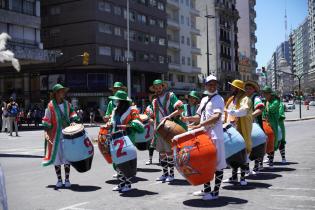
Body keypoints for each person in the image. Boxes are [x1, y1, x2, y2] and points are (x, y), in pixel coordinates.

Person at [182, 75, 226, 200]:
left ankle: (215, 192)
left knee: (217, 165)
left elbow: (216, 116)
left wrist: (200, 125)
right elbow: (198, 116)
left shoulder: (219, 99)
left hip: (216, 136)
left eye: (214, 84)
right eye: (209, 84)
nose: (212, 86)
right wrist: (188, 119)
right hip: (205, 136)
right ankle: (207, 190)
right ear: (205, 85)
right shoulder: (204, 99)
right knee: (205, 164)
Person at [105, 90, 144, 192]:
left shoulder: (132, 111)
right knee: (118, 163)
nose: (117, 102)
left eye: (118, 101)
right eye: (116, 100)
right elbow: (112, 122)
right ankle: (122, 183)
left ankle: (128, 184)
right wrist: (109, 124)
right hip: (115, 138)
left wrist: (126, 126)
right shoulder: (115, 111)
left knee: (125, 162)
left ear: (123, 101)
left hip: (127, 138)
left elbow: (139, 124)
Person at [42, 84, 80, 188]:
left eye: (64, 91)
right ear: (56, 93)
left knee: (67, 158)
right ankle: (59, 180)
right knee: (57, 159)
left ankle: (67, 179)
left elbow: (73, 113)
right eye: (61, 91)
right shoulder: (50, 106)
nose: (63, 93)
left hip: (68, 135)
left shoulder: (67, 104)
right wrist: (46, 132)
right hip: (55, 135)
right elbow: (46, 120)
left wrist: (73, 121)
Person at [150, 79, 187, 183]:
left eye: (159, 87)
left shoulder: (170, 96)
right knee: (161, 153)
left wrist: (169, 116)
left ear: (163, 87)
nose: (158, 89)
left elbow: (181, 108)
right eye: (156, 88)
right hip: (159, 129)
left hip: (169, 128)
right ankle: (164, 173)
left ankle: (171, 174)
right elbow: (154, 115)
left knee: (169, 152)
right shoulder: (154, 101)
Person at [224, 79, 253, 186]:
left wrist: (230, 112)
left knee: (242, 153)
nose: (231, 88)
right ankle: (234, 176)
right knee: (233, 154)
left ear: (237, 89)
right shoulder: (231, 99)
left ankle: (243, 178)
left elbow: (243, 111)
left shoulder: (245, 99)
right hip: (231, 131)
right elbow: (225, 113)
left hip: (241, 130)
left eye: (233, 87)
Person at [245, 80, 265, 174]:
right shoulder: (244, 98)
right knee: (247, 147)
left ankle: (257, 165)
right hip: (246, 126)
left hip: (254, 126)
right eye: (246, 88)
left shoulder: (256, 98)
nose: (248, 90)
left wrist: (250, 117)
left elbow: (260, 109)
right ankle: (247, 167)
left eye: (250, 88)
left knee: (256, 146)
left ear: (254, 90)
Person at [262, 86, 280, 167]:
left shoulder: (275, 101)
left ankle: (271, 161)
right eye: (264, 93)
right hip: (265, 123)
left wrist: (264, 105)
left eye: (266, 94)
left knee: (272, 141)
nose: (264, 95)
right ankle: (267, 158)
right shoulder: (266, 101)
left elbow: (271, 109)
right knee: (264, 141)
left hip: (273, 124)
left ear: (270, 94)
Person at [143, 91, 156, 165]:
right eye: (150, 96)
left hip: (158, 126)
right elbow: (145, 116)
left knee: (159, 144)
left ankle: (161, 159)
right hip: (150, 128)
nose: (151, 97)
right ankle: (150, 159)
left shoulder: (158, 106)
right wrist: (147, 119)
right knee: (150, 144)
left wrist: (154, 120)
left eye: (153, 96)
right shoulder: (148, 107)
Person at [278, 98, 286, 163]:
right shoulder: (267, 103)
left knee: (281, 141)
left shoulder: (280, 104)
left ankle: (283, 158)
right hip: (270, 124)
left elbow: (281, 114)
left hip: (279, 125)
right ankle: (269, 158)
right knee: (270, 141)